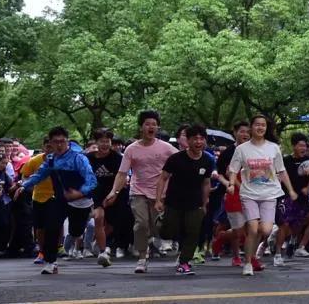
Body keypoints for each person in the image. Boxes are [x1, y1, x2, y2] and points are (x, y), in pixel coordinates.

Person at [104, 110, 177, 273]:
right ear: (141, 127)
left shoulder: (166, 148)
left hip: (160, 194)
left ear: (157, 128)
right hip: (138, 191)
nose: (151, 127)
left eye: (154, 124)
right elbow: (122, 173)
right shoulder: (131, 149)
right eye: (147, 124)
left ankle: (155, 240)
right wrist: (114, 191)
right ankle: (142, 258)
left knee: (160, 228)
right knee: (141, 224)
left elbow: (181, 161)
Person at [17, 126, 98, 274]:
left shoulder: (78, 158)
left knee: (76, 230)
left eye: (62, 141)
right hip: (60, 199)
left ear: (67, 141)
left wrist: (80, 193)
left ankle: (75, 236)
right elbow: (39, 175)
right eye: (56, 142)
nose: (59, 145)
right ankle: (50, 261)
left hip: (81, 201)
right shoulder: (51, 159)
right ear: (51, 143)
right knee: (51, 226)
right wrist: (24, 186)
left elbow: (91, 180)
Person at [228, 115, 298, 276]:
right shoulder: (242, 149)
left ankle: (251, 250)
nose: (260, 128)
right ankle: (247, 263)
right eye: (257, 125)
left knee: (265, 230)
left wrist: (291, 190)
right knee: (253, 229)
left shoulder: (273, 148)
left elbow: (281, 171)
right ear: (251, 127)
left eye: (263, 125)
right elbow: (233, 169)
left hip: (269, 194)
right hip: (249, 194)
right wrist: (231, 184)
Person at [155, 124, 215, 276]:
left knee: (193, 232)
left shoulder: (208, 160)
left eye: (201, 139)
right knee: (168, 232)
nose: (198, 142)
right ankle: (160, 225)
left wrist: (205, 202)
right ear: (188, 141)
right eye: (195, 139)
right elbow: (163, 178)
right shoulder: (176, 158)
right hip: (173, 202)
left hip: (195, 203)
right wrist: (158, 200)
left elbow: (206, 182)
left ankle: (184, 262)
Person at [87, 128, 133, 268]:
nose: (105, 144)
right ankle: (103, 252)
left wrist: (115, 193)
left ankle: (100, 241)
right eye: (102, 141)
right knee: (99, 218)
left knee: (113, 224)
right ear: (96, 142)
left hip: (117, 192)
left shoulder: (118, 158)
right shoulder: (88, 158)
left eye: (107, 141)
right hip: (98, 193)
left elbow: (123, 176)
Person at [273, 132, 309, 266]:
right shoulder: (285, 161)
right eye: (300, 145)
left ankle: (301, 247)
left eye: (304, 146)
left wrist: (308, 188)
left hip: (303, 198)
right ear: (294, 146)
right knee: (285, 225)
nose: (303, 148)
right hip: (287, 197)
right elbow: (279, 176)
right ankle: (277, 254)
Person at [213, 121, 251, 267]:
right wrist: (228, 185)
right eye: (242, 131)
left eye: (248, 132)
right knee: (238, 228)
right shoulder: (228, 153)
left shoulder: (254, 150)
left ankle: (250, 257)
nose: (245, 134)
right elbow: (221, 174)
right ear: (235, 133)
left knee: (252, 227)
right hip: (233, 193)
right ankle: (235, 255)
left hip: (253, 193)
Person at [20, 137, 56, 264]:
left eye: (52, 147)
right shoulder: (34, 160)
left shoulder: (61, 160)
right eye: (48, 147)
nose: (50, 149)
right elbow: (25, 176)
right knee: (40, 227)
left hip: (55, 197)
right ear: (43, 147)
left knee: (53, 226)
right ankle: (41, 252)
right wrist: (27, 186)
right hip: (38, 197)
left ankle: (55, 250)